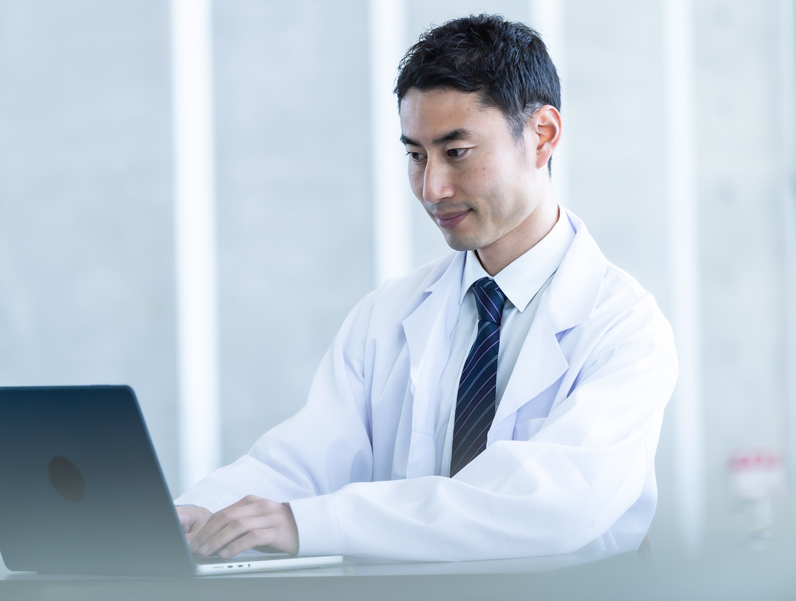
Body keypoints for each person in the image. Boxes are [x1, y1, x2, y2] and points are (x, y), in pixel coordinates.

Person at [175, 14, 678, 562]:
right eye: (416, 156)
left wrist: (316, 523)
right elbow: (302, 460)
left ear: (542, 136)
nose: (432, 188)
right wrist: (200, 515)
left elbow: (550, 504)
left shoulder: (625, 326)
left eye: (456, 152)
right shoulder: (388, 314)